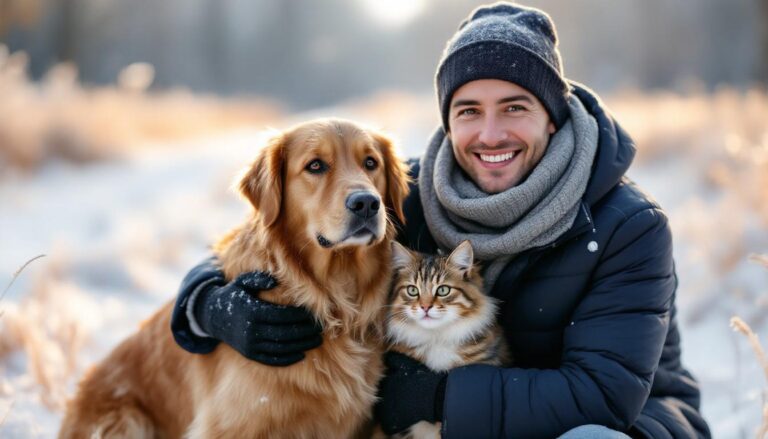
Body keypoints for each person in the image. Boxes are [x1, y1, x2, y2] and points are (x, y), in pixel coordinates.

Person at [170, 3, 710, 438]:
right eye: (469, 110)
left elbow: (602, 395)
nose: (491, 134)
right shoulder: (404, 194)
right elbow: (261, 239)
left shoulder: (627, 226)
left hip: (620, 425)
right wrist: (208, 307)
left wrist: (435, 398)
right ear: (448, 121)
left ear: (553, 113)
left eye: (515, 107)